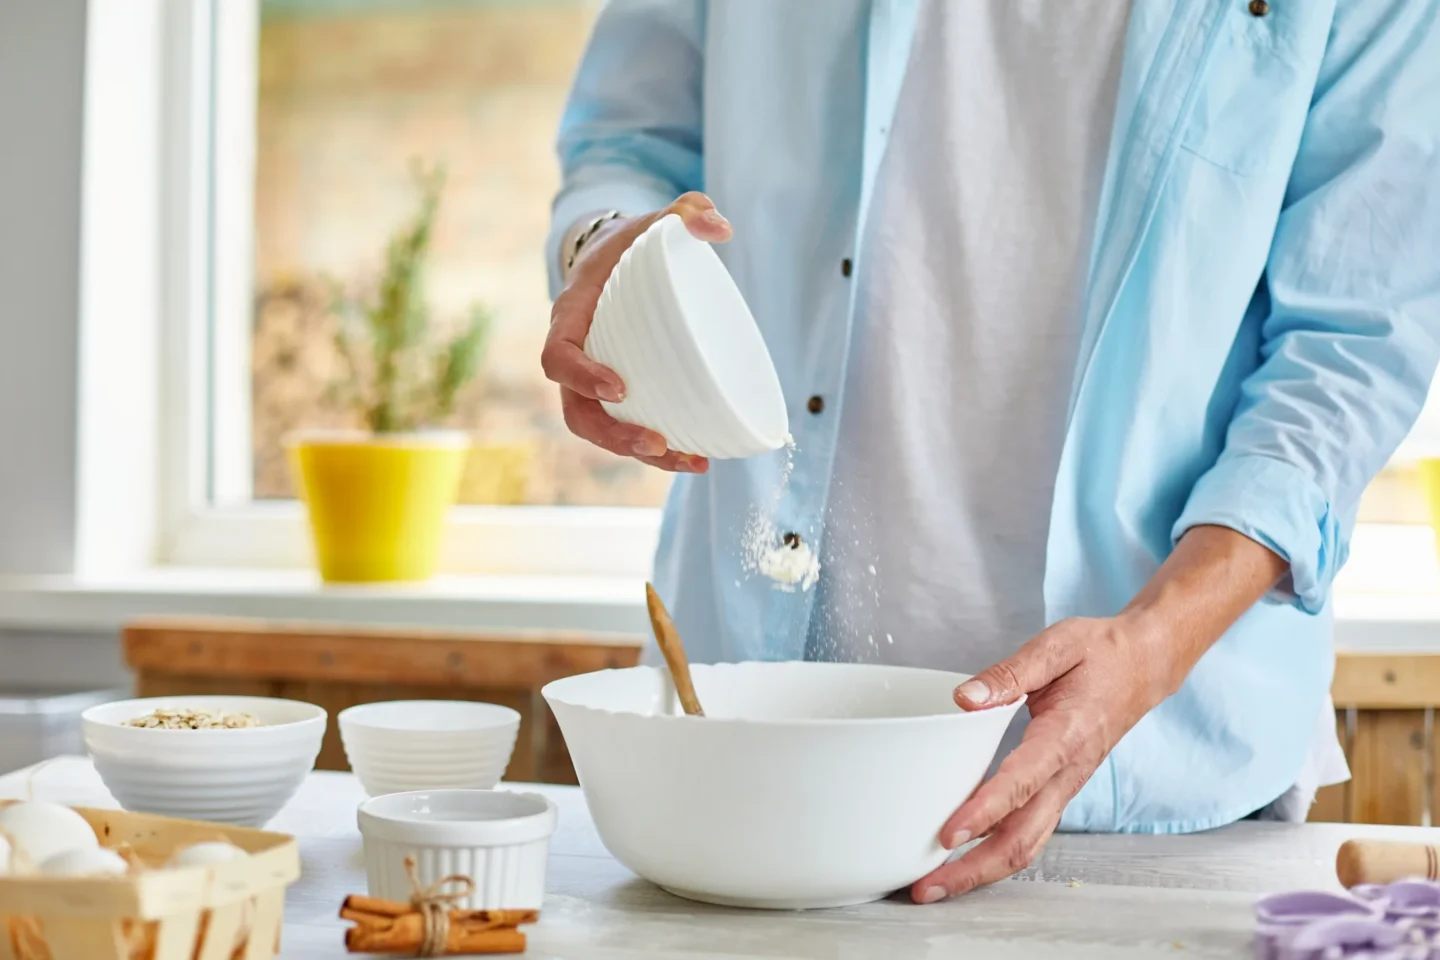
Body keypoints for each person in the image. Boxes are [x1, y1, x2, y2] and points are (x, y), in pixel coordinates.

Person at [541, 0, 1440, 903]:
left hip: (1152, 774)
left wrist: (1156, 642)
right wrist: (606, 256)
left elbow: (1351, 342)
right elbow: (629, 138)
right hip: (750, 751)